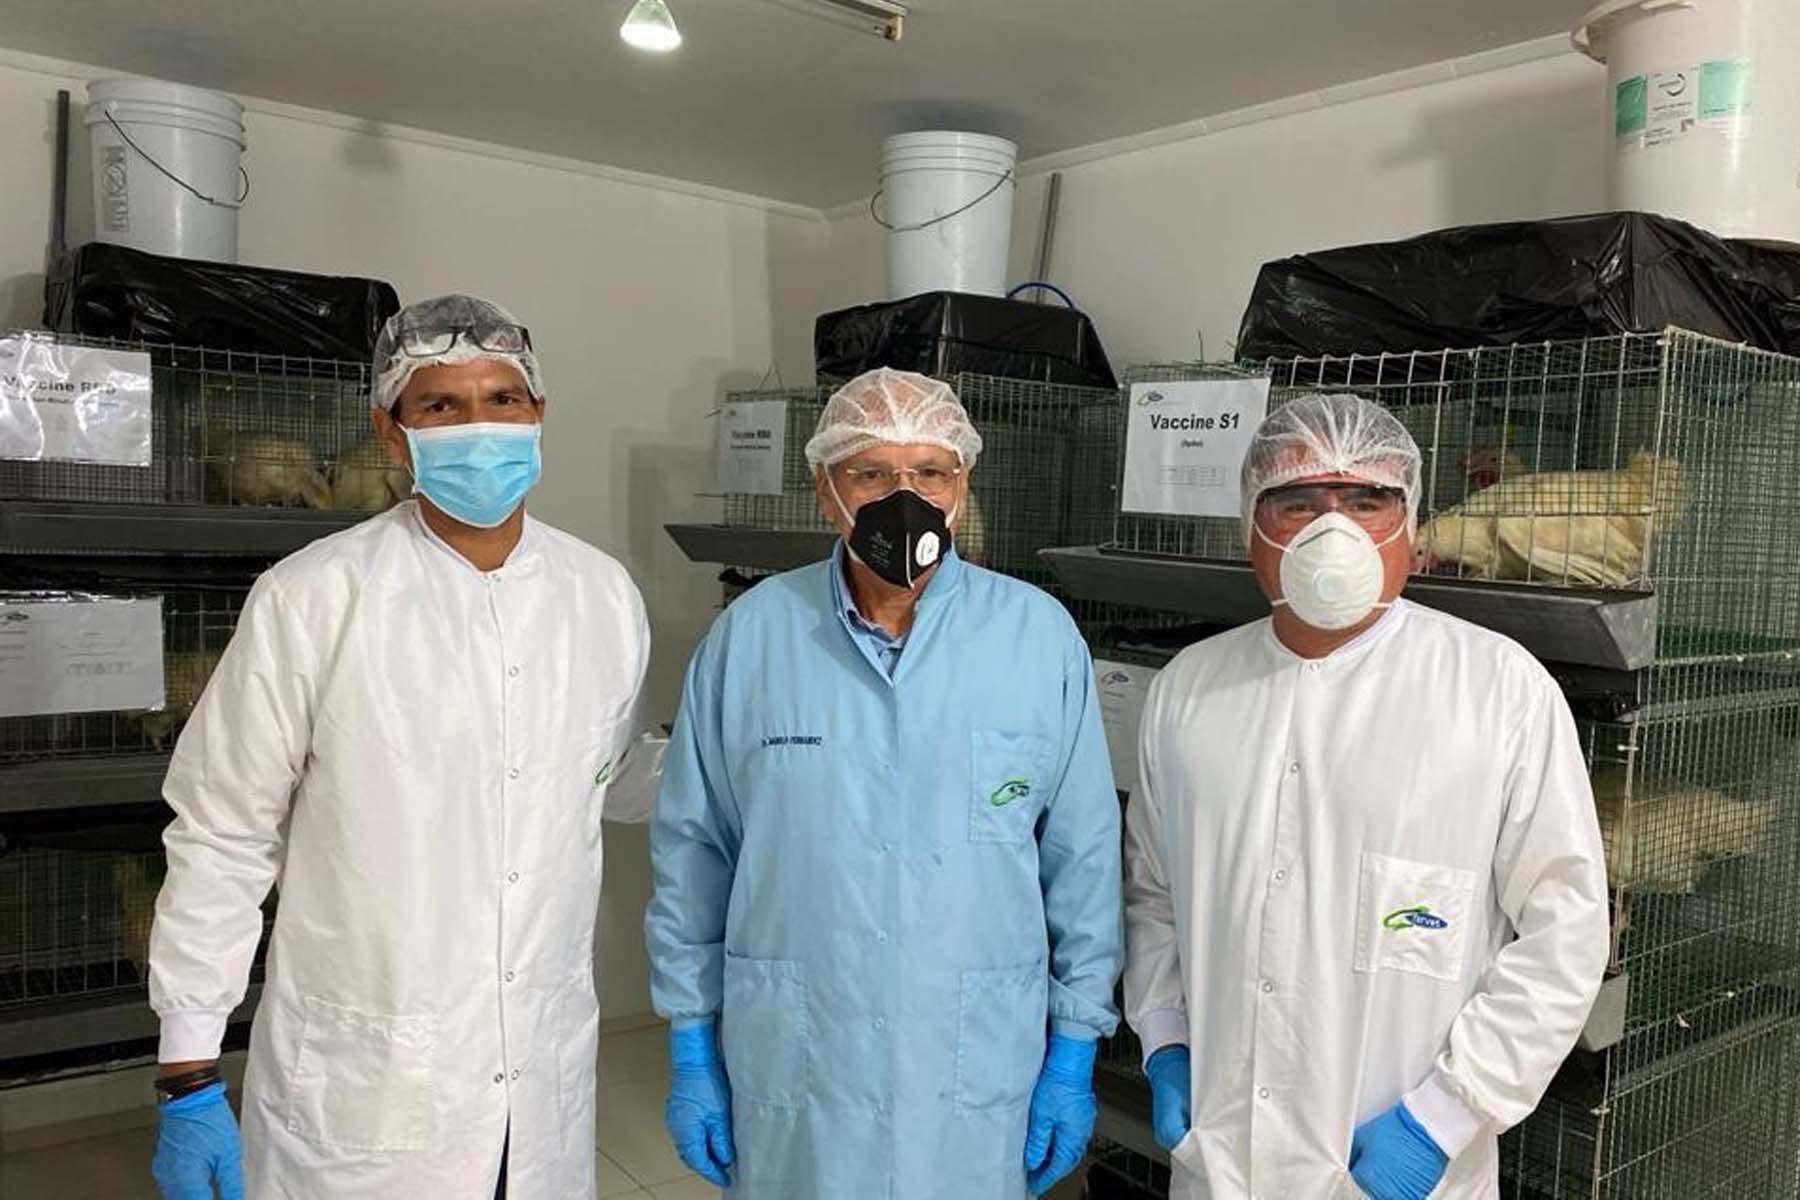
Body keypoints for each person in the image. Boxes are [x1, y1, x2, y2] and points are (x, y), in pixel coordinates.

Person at [147, 294, 661, 1200]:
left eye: (502, 399)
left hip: (537, 1080)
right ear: (393, 435)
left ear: (538, 414)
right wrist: (189, 1069)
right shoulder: (313, 596)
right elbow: (223, 830)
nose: (478, 427)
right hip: (367, 1086)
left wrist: (743, 760)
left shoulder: (602, 595)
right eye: (441, 405)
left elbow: (603, 774)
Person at [644, 367, 1123, 1199]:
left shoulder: (1037, 637)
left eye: (930, 471)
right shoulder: (752, 638)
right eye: (871, 473)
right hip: (800, 1061)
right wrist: (691, 1038)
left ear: (962, 487)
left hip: (973, 1060)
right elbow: (694, 848)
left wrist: (1075, 1046)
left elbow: (1082, 856)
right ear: (826, 491)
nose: (905, 497)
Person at [1123, 393, 1610, 1200]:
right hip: (1222, 1159)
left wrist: (1443, 1117)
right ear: (1251, 527)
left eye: (1365, 501)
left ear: (1408, 528)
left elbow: (1565, 932)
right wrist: (1166, 1039)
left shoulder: (1498, 690)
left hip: (1405, 1165)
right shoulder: (1188, 689)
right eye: (1298, 502)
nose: (1332, 529)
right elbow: (1155, 894)